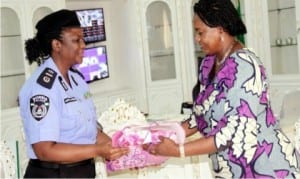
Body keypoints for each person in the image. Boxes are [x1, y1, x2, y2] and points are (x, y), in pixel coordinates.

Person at [144, 0, 300, 178]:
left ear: (220, 28)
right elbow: (199, 116)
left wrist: (177, 150)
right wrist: (164, 135)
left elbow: (233, 132)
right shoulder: (208, 64)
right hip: (229, 169)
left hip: (265, 166)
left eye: (200, 32)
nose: (197, 39)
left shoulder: (245, 66)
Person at [18, 9, 129, 178]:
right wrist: (98, 150)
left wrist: (123, 147)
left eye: (83, 39)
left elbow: (90, 131)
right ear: (57, 45)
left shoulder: (77, 80)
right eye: (77, 40)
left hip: (81, 172)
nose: (83, 45)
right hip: (54, 174)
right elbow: (44, 150)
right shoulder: (42, 88)